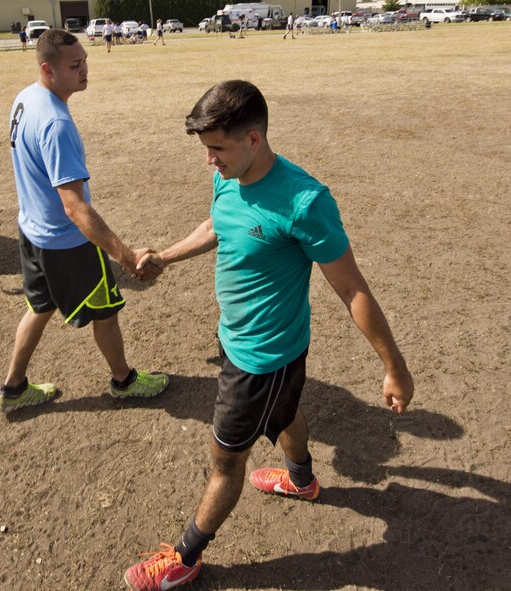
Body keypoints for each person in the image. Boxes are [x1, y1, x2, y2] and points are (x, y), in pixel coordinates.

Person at [123, 80, 414, 590]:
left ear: (253, 139)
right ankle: (302, 481)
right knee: (283, 411)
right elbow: (218, 224)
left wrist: (395, 369)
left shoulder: (304, 202)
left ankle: (185, 557)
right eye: (206, 148)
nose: (209, 160)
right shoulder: (228, 175)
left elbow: (354, 291)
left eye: (217, 148)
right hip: (237, 340)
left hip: (263, 359)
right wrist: (165, 256)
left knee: (225, 460)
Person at [0, 29, 169, 413]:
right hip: (65, 243)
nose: (85, 70)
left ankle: (12, 388)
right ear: (48, 69)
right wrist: (125, 257)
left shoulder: (26, 97)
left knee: (38, 307)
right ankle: (124, 381)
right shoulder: (55, 123)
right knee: (106, 312)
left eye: (85, 61)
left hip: (32, 233)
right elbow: (75, 207)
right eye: (75, 66)